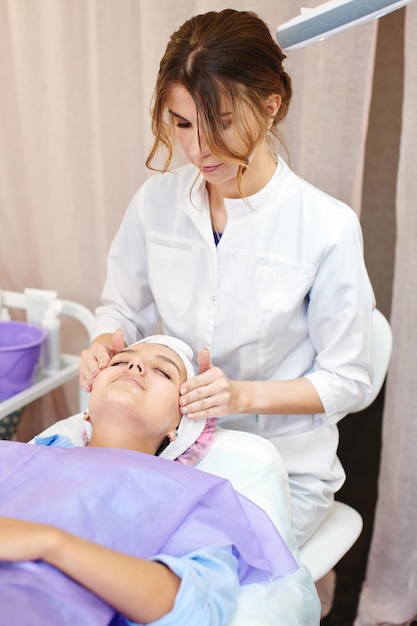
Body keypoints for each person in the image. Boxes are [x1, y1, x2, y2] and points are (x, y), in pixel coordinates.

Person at [79, 9, 375, 547]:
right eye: (184, 123)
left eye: (220, 124)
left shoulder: (326, 228)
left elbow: (349, 379)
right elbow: (122, 310)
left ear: (270, 105)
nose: (198, 150)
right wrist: (105, 341)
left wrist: (242, 397)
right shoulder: (156, 203)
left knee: (179, 572)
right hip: (170, 454)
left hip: (283, 470)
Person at [0, 335, 312, 626]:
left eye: (163, 372)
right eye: (120, 362)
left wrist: (50, 544)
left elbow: (196, 604)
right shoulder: (20, 456)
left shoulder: (189, 494)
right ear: (87, 412)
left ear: (180, 427)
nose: (134, 366)